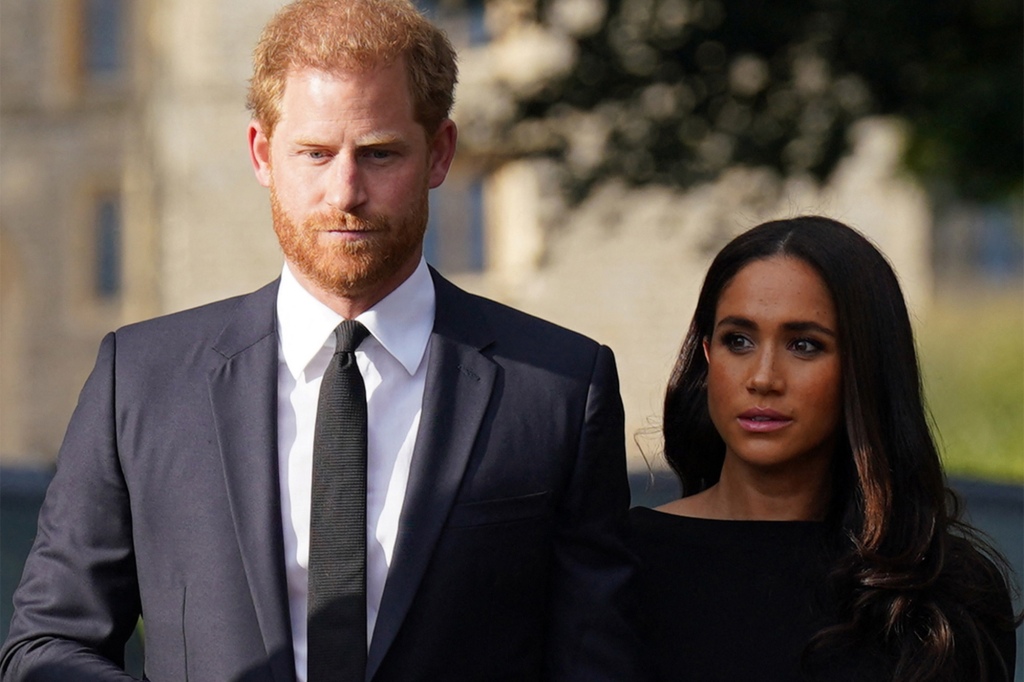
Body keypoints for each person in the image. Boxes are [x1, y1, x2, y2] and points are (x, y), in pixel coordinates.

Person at [0, 0, 640, 679]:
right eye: (314, 154)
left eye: (379, 153)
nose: (346, 192)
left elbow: (595, 660)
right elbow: (48, 645)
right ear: (261, 154)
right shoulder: (143, 379)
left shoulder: (560, 387)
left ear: (440, 153)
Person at [631, 216, 1019, 681]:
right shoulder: (619, 562)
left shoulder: (946, 591)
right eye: (739, 340)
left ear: (865, 367)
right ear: (708, 354)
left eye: (804, 345)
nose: (762, 378)